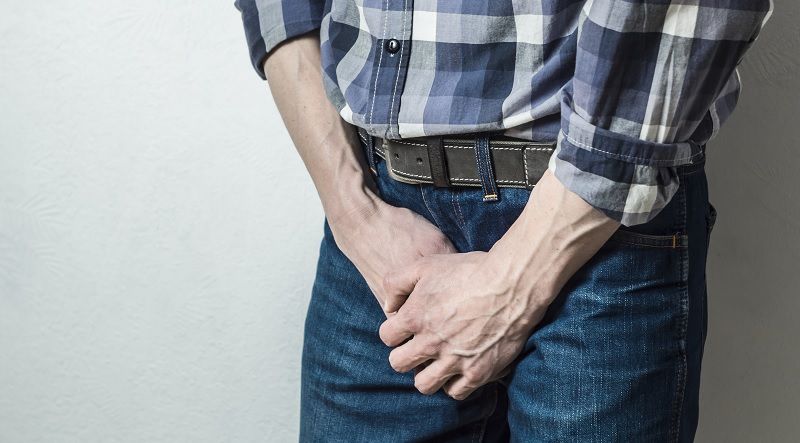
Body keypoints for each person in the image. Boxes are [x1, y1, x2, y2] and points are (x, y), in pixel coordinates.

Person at [234, 1, 772, 441]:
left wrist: (515, 282)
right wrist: (354, 211)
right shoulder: (364, 220)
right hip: (378, 231)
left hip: (599, 228)